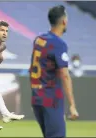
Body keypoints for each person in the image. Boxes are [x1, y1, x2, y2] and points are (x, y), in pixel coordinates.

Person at [29, 5, 79, 137]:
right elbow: (65, 75)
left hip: (37, 98)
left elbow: (34, 67)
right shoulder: (59, 44)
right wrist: (72, 105)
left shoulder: (39, 39)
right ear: (64, 21)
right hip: (51, 98)